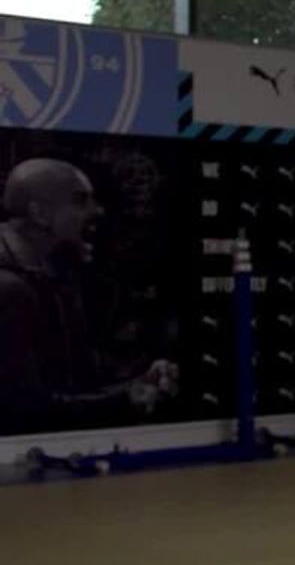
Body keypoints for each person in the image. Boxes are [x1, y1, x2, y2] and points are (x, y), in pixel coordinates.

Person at [0, 157, 178, 433]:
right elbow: (30, 411)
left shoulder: (48, 273)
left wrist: (137, 383)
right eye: (80, 200)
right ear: (40, 213)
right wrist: (126, 399)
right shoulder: (10, 288)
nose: (97, 210)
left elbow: (70, 379)